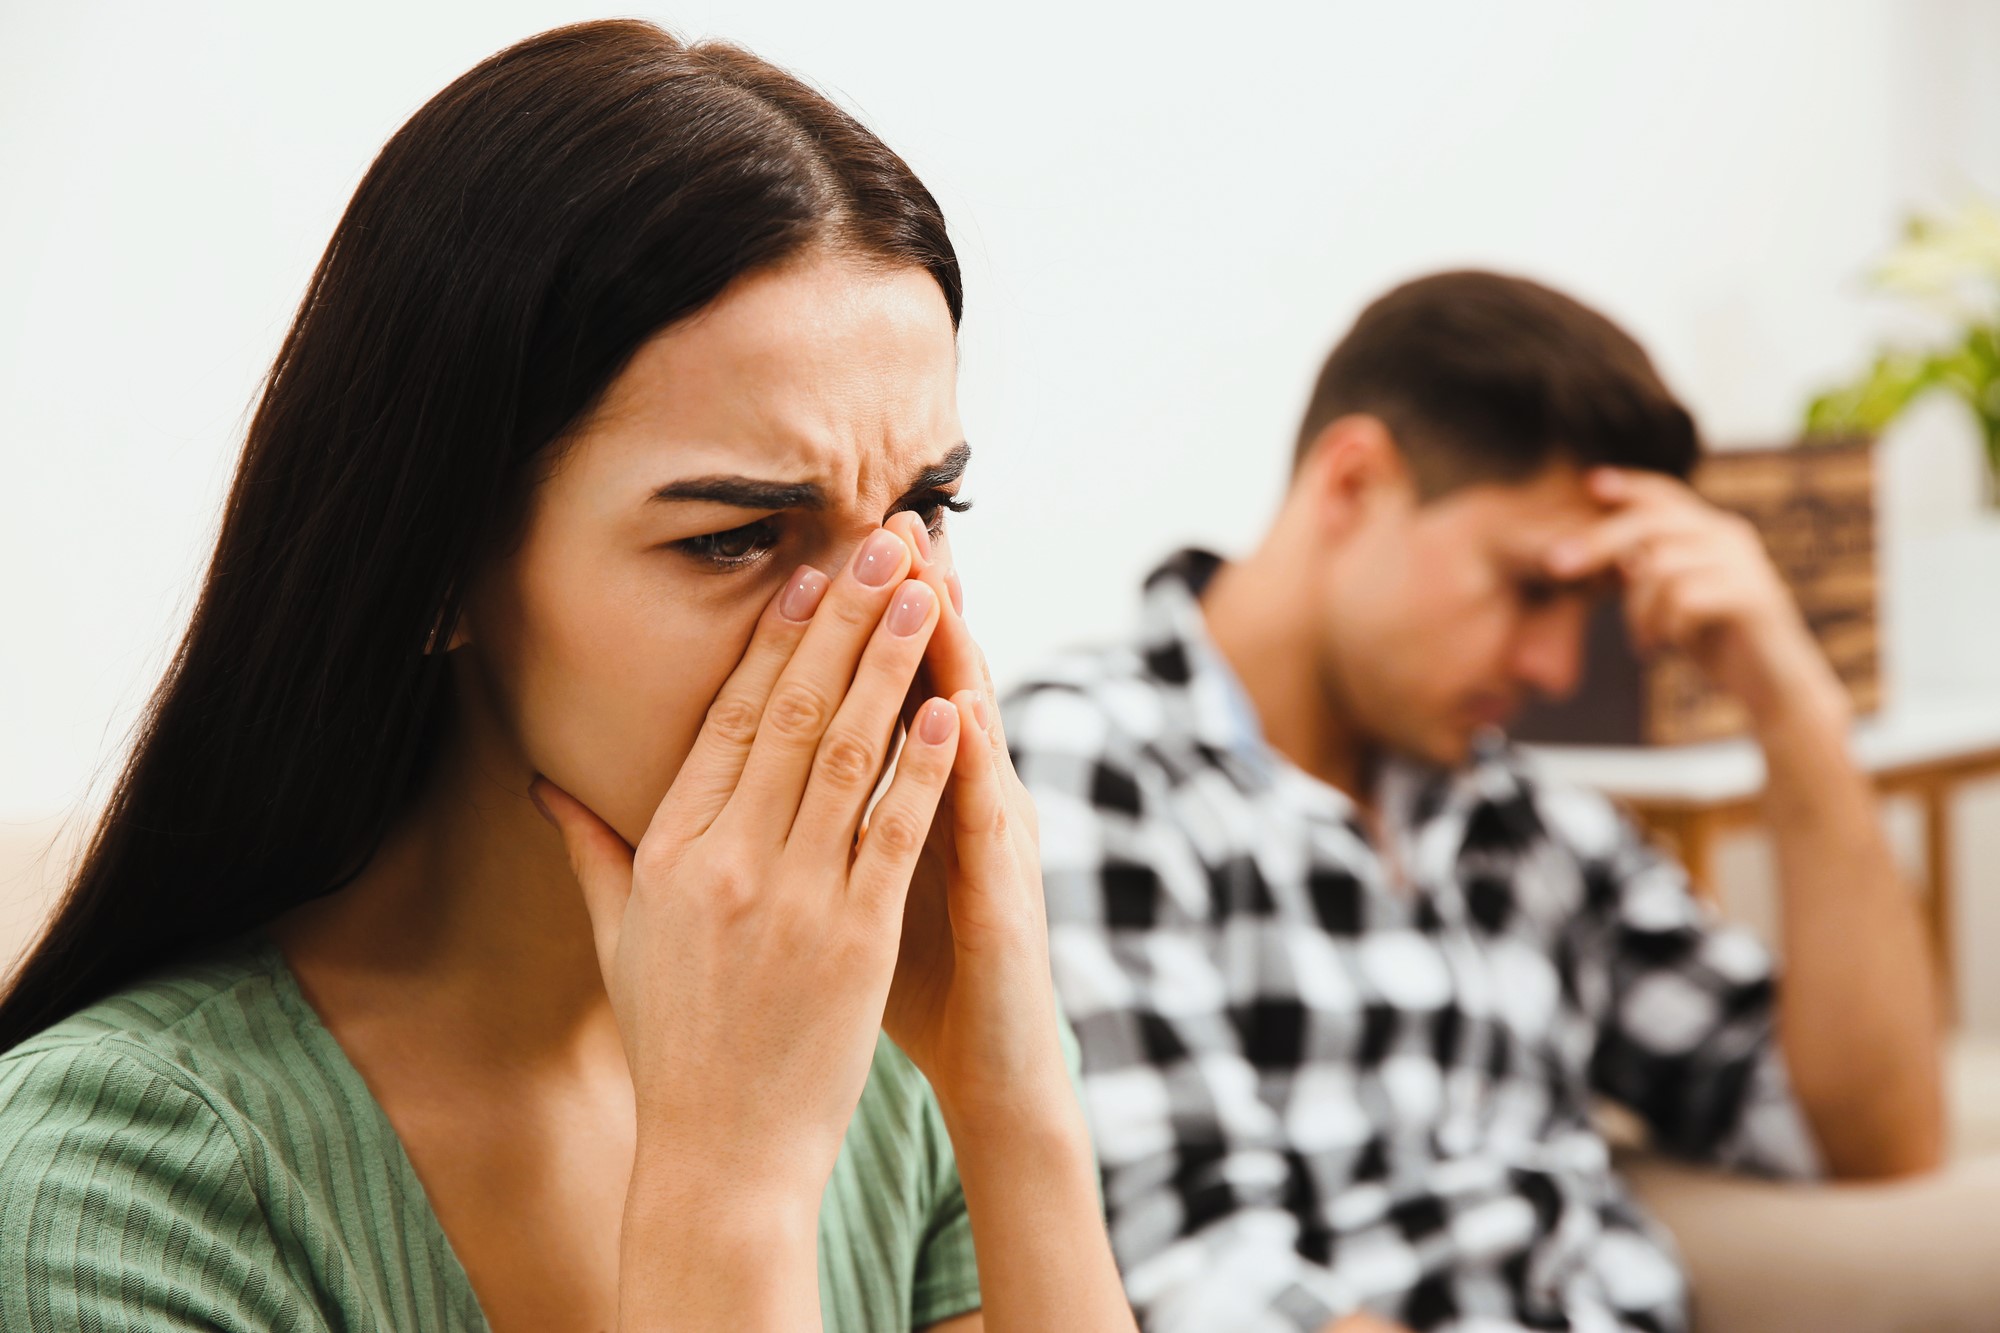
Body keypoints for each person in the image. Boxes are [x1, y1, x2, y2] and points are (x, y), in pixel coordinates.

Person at [0, 21, 1133, 1333]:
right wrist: (726, 1192)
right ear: (435, 567)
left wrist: (1012, 1094)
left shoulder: (897, 1073)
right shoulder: (104, 1190)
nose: (891, 625)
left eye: (924, 506)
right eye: (733, 538)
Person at [1005, 270, 1943, 1333]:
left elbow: (1867, 1142)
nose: (1552, 667)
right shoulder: (1095, 763)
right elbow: (1197, 1279)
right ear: (1352, 483)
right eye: (1530, 587)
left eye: (1585, 607)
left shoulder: (1524, 822)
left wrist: (1794, 708)